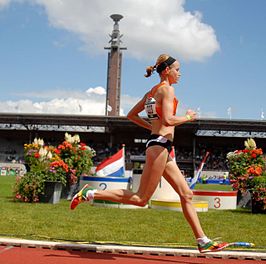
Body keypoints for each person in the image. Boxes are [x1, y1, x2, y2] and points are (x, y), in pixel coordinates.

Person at [70, 54, 228, 253]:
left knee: (186, 193)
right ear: (166, 71)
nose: (180, 74)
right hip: (160, 146)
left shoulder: (151, 93)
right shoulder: (167, 90)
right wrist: (188, 117)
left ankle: (202, 240)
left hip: (161, 145)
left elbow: (131, 115)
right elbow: (169, 120)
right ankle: (90, 193)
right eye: (177, 69)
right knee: (141, 199)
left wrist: (152, 128)